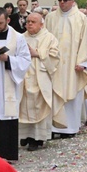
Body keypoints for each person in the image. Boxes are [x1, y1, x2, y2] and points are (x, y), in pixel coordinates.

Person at [46, 0, 87, 137]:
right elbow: (45, 38)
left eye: (65, 0)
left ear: (72, 1)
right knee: (54, 94)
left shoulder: (80, 18)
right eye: (60, 0)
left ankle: (70, 128)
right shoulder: (50, 17)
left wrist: (83, 62)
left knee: (72, 94)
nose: (62, 2)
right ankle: (55, 127)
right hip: (55, 64)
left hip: (73, 66)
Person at [0, 8, 31, 161]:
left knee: (7, 114)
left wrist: (7, 59)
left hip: (8, 80)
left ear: (8, 21)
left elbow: (25, 60)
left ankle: (7, 154)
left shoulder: (18, 38)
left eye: (0, 23)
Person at [19, 11, 63, 151]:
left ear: (41, 24)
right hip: (24, 77)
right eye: (28, 22)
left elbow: (55, 56)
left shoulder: (49, 38)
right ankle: (25, 135)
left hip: (40, 77)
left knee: (39, 107)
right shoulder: (20, 37)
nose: (29, 24)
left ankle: (36, 138)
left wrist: (37, 53)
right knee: (23, 107)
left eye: (33, 22)